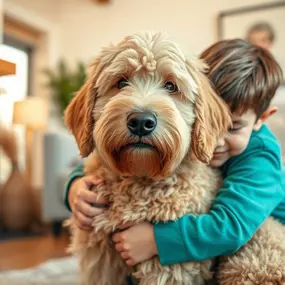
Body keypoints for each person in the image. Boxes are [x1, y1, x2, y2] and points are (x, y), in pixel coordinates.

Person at [64, 39, 285, 268]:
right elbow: (97, 166)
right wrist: (75, 186)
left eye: (233, 126)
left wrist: (156, 240)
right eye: (206, 122)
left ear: (262, 119)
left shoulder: (260, 155)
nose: (214, 139)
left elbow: (232, 226)